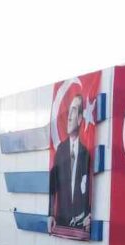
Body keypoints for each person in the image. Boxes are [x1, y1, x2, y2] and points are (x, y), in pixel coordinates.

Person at [48, 92, 91, 232]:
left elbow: (88, 188)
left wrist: (88, 214)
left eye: (73, 111)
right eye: (68, 112)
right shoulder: (60, 151)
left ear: (79, 119)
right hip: (61, 222)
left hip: (80, 223)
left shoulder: (85, 153)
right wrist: (51, 214)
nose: (69, 117)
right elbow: (52, 185)